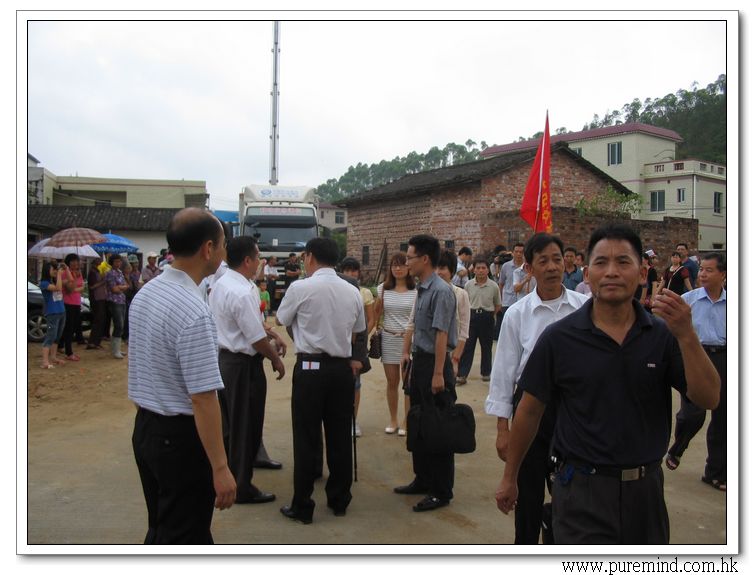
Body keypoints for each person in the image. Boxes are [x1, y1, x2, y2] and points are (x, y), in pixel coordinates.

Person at [495, 223, 720, 544]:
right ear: (588, 274)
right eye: (601, 262)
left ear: (642, 273)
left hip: (645, 491)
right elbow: (529, 411)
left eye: (623, 262)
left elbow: (709, 398)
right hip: (581, 491)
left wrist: (687, 335)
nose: (612, 271)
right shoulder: (559, 338)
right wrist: (510, 476)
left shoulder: (661, 336)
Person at [129, 208, 236, 544]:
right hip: (180, 440)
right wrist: (220, 467)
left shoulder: (146, 293)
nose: (224, 252)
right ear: (208, 248)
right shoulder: (193, 311)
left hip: (147, 429)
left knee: (163, 527)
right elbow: (203, 397)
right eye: (222, 244)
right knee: (185, 536)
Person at [485, 233, 589, 544]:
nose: (553, 267)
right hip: (529, 409)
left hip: (573, 411)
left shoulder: (585, 308)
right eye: (543, 261)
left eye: (557, 259)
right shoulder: (517, 314)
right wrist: (503, 429)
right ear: (529, 269)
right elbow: (504, 373)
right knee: (527, 494)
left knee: (571, 495)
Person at [276, 237, 365, 524]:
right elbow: (357, 330)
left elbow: (281, 318)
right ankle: (339, 500)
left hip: (310, 368)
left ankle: (302, 505)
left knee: (306, 437)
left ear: (310, 256)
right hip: (341, 369)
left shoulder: (300, 287)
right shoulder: (352, 290)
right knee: (340, 435)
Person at [209, 236, 286, 505]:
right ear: (247, 260)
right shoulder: (241, 291)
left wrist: (271, 333)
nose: (260, 262)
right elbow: (254, 338)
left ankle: (231, 477)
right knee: (245, 426)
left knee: (230, 424)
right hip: (242, 365)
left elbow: (250, 325)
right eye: (257, 257)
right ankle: (242, 486)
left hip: (226, 361)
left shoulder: (224, 284)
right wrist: (275, 358)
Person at [394, 234, 457, 512]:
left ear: (425, 259)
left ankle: (441, 490)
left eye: (410, 258)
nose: (407, 262)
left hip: (435, 364)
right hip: (420, 362)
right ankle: (422, 478)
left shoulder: (441, 291)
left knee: (438, 427)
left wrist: (438, 373)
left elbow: (441, 334)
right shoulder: (422, 288)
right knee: (419, 422)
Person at [666, 253, 727, 491]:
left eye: (709, 270)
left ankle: (715, 473)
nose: (702, 274)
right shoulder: (687, 300)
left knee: (724, 419)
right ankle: (678, 447)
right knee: (693, 414)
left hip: (723, 357)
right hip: (693, 356)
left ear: (723, 275)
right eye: (701, 269)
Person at [374, 252, 417, 435]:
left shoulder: (417, 290)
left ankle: (407, 421)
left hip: (410, 341)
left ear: (409, 267)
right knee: (392, 382)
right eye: (394, 265)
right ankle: (393, 419)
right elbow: (376, 313)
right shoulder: (382, 289)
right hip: (389, 338)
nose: (398, 268)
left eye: (402, 265)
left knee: (408, 384)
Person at [340, 257, 376, 437]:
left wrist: (360, 336)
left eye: (353, 270)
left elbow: (371, 319)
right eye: (347, 270)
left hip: (356, 345)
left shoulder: (364, 293)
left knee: (355, 384)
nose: (350, 274)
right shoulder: (337, 290)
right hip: (339, 344)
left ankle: (352, 419)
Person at [456, 258, 501, 385]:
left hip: (487, 318)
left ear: (488, 270)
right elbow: (464, 303)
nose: (481, 270)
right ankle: (462, 374)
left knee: (486, 347)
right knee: (468, 347)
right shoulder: (468, 285)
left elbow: (497, 305)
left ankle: (486, 373)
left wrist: (490, 315)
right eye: (478, 268)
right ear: (474, 270)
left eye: (483, 268)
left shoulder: (494, 286)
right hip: (471, 317)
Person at [39, 262, 67, 369]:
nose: (55, 271)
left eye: (56, 269)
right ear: (47, 270)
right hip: (52, 313)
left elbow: (69, 280)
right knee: (50, 336)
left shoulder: (55, 280)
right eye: (53, 269)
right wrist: (59, 274)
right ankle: (45, 361)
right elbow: (58, 288)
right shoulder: (44, 283)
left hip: (61, 311)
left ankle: (53, 357)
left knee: (57, 337)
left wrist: (66, 268)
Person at [60, 253, 85, 361]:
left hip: (76, 302)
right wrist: (74, 278)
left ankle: (60, 345)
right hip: (67, 303)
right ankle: (69, 352)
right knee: (69, 328)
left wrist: (75, 287)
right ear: (68, 262)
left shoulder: (79, 273)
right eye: (73, 261)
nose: (75, 263)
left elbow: (82, 288)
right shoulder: (65, 273)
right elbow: (70, 290)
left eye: (77, 261)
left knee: (72, 326)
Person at [105, 254, 129, 359]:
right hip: (114, 301)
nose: (118, 263)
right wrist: (121, 287)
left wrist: (120, 287)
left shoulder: (120, 272)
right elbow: (114, 289)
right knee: (118, 324)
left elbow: (126, 285)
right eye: (116, 261)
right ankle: (115, 350)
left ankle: (117, 348)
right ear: (112, 262)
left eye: (119, 261)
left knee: (121, 324)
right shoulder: (110, 273)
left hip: (122, 300)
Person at [86, 257, 108, 350]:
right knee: (98, 320)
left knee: (102, 320)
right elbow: (92, 286)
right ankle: (92, 342)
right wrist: (103, 282)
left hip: (101, 297)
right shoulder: (92, 272)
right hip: (96, 298)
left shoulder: (98, 271)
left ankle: (97, 341)